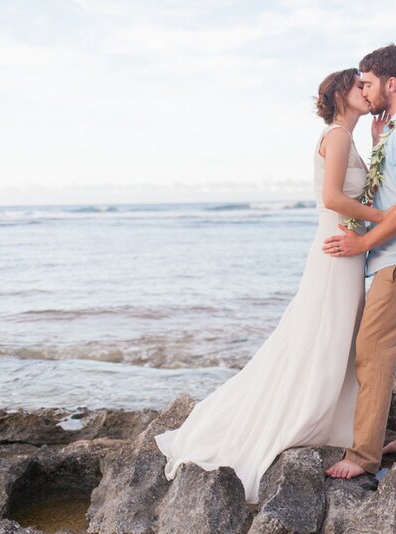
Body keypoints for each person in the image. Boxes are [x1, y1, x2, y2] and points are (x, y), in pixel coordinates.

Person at [154, 67, 382, 503]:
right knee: (326, 331)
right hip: (336, 247)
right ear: (340, 93)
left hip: (346, 246)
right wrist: (387, 220)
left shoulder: (348, 138)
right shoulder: (335, 136)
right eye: (359, 85)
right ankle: (303, 413)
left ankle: (334, 414)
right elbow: (333, 198)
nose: (366, 91)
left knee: (335, 332)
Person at [323, 44, 396, 479]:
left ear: (391, 83)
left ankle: (362, 457)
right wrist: (378, 143)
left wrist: (363, 242)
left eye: (369, 83)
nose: (365, 90)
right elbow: (394, 192)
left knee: (371, 352)